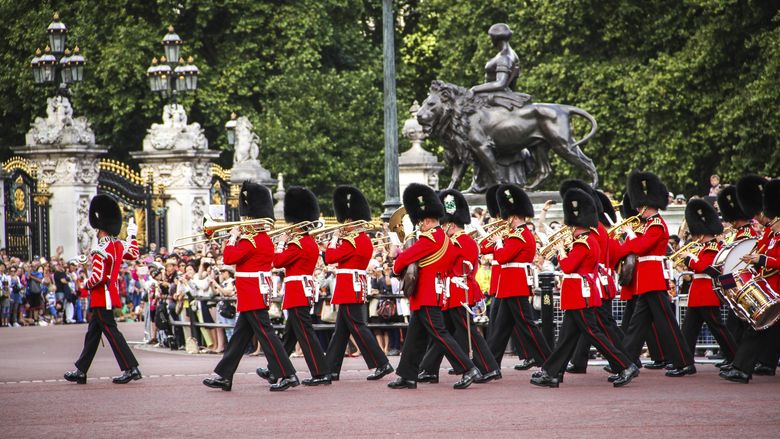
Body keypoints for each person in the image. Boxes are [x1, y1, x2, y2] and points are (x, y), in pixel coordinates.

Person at [531, 189, 638, 388]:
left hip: (581, 294)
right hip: (576, 295)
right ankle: (552, 373)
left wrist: (562, 250)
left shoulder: (584, 243)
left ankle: (625, 366)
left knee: (594, 333)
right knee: (566, 338)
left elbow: (568, 266)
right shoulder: (586, 240)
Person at [203, 182, 299, 392]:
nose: (243, 221)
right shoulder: (263, 238)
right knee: (239, 337)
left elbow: (228, 257)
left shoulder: (251, 240)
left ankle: (287, 374)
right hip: (252, 292)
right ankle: (224, 375)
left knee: (266, 335)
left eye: (246, 218)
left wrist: (233, 238)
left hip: (252, 292)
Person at [388, 183, 482, 390]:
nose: (419, 224)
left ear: (428, 219)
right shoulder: (443, 238)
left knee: (440, 334)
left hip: (427, 294)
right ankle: (407, 375)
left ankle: (468, 369)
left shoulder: (430, 238)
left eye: (421, 221)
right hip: (429, 293)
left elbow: (399, 263)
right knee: (415, 338)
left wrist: (399, 255)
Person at [417, 189, 501, 384]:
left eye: (444, 225)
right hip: (452, 292)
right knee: (441, 333)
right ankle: (428, 368)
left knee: (467, 331)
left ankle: (489, 368)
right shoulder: (458, 241)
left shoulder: (461, 242)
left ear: (452, 225)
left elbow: (447, 265)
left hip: (459, 292)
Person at [617, 171, 695, 377]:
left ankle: (684, 362)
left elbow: (641, 248)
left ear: (645, 205)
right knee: (636, 326)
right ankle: (624, 363)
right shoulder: (648, 225)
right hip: (646, 279)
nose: (636, 209)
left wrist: (625, 243)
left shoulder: (657, 225)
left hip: (653, 278)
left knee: (666, 324)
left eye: (639, 206)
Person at [64, 194, 142, 385]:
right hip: (110, 293)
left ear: (100, 229)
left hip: (101, 296)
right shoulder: (117, 245)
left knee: (112, 332)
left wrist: (85, 284)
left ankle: (131, 368)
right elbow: (134, 253)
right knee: (93, 335)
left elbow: (98, 277)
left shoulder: (100, 249)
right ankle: (81, 370)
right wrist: (132, 235)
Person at [323, 185, 394, 381]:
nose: (342, 226)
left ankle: (382, 363)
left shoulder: (351, 241)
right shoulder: (362, 240)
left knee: (358, 327)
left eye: (344, 222)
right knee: (341, 332)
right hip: (353, 285)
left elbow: (329, 257)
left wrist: (334, 239)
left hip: (348, 287)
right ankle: (331, 369)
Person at [563, 182, 627, 374]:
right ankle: (574, 362)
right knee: (590, 326)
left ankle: (625, 360)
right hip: (593, 281)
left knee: (600, 326)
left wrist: (565, 250)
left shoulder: (593, 232)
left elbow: (587, 259)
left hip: (592, 282)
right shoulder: (596, 229)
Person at [486, 184, 552, 370]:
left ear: (513, 217)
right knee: (500, 330)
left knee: (528, 327)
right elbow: (490, 250)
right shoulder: (518, 235)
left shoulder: (519, 236)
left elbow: (501, 257)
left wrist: (499, 242)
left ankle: (549, 363)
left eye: (508, 217)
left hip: (515, 285)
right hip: (509, 286)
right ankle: (489, 366)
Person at [721, 177, 780, 383]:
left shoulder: (773, 233)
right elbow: (759, 250)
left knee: (756, 326)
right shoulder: (769, 234)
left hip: (775, 287)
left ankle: (741, 367)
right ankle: (761, 364)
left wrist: (761, 259)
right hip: (767, 287)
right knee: (763, 327)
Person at [276, 186, 330, 386]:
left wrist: (281, 243)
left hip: (297, 292)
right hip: (302, 290)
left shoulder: (296, 244)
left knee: (305, 335)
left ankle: (320, 372)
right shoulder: (309, 242)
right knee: (290, 335)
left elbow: (278, 261)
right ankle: (276, 368)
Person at [677, 199, 737, 364]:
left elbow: (705, 267)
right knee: (688, 331)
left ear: (701, 233)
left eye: (696, 234)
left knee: (718, 329)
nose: (695, 237)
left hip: (707, 293)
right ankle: (685, 363)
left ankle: (736, 359)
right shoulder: (702, 247)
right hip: (697, 294)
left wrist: (689, 259)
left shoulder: (712, 248)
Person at [716, 184, 759, 345]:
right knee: (734, 317)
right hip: (733, 279)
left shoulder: (747, 233)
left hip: (741, 280)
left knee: (737, 319)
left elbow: (736, 260)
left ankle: (732, 354)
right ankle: (731, 354)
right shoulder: (738, 233)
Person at [470, 23, 530, 109]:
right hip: (494, 94)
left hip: (494, 96)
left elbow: (501, 83)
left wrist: (474, 89)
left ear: (494, 38)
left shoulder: (504, 57)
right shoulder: (511, 54)